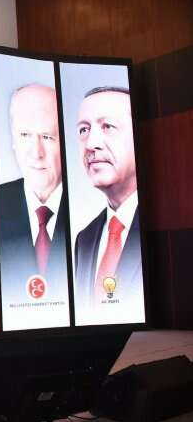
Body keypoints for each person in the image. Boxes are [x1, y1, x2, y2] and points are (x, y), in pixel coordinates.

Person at [73, 87, 142, 308]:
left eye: (108, 126)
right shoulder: (84, 240)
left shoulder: (167, 227)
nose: (91, 144)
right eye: (84, 130)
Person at [0, 84, 68, 290]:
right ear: (13, 140)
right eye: (25, 135)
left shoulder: (90, 211)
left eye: (47, 136)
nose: (37, 153)